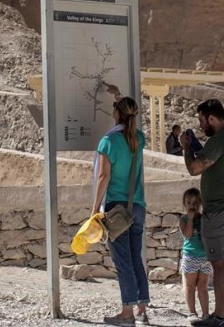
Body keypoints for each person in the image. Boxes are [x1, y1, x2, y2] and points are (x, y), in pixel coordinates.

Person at [178, 98, 224, 327]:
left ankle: (218, 317)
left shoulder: (220, 139)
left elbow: (194, 168)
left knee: (219, 263)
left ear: (212, 118)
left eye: (201, 120)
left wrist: (187, 148)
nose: (200, 125)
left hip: (218, 209)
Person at [91, 96, 150, 326]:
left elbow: (104, 177)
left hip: (116, 208)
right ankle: (142, 308)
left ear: (117, 112)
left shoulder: (109, 141)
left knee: (123, 261)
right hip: (137, 205)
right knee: (136, 258)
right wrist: (119, 98)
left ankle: (127, 313)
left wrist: (95, 208)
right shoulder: (139, 138)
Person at [179, 188, 212, 324]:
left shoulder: (204, 218)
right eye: (189, 203)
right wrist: (191, 219)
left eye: (196, 203)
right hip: (191, 256)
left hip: (205, 257)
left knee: (203, 286)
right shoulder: (183, 219)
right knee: (190, 286)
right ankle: (192, 312)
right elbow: (187, 234)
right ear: (184, 205)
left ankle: (206, 313)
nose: (193, 206)